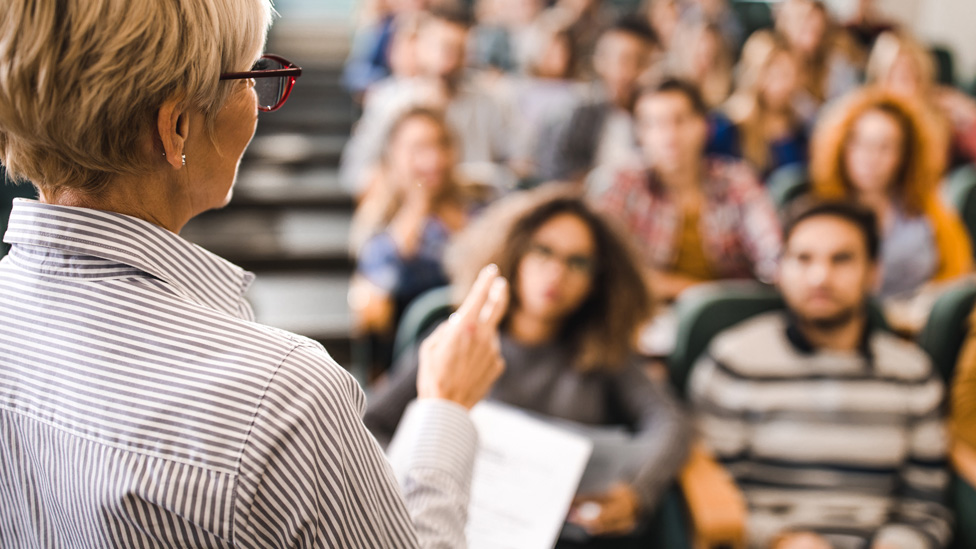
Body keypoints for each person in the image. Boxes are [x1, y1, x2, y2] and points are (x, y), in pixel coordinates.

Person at [0, 1, 511, 547]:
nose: (259, 102)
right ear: (176, 128)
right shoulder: (283, 397)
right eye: (250, 77)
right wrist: (444, 409)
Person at [365, 186, 691, 547]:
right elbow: (370, 425)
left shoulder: (604, 353)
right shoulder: (460, 342)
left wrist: (637, 492)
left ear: (598, 281)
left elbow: (670, 424)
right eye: (543, 251)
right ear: (515, 251)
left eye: (577, 262)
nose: (556, 272)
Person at [689, 201, 952, 549]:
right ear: (781, 269)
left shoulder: (912, 375)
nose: (820, 277)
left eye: (841, 259)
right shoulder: (734, 362)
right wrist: (780, 539)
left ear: (873, 272)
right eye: (803, 259)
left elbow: (927, 507)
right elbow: (711, 492)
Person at [598, 79, 782, 303]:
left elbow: (771, 246)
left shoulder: (735, 179)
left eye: (680, 120)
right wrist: (693, 291)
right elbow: (603, 260)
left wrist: (779, 275)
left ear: (704, 125)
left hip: (732, 311)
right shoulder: (624, 181)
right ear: (640, 133)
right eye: (654, 123)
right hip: (647, 310)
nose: (669, 135)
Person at [349, 107, 491, 371]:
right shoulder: (378, 223)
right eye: (419, 148)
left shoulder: (482, 203)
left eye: (442, 144)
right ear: (393, 156)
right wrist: (418, 206)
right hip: (415, 356)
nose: (434, 158)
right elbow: (376, 300)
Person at [809, 87, 972, 300]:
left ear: (904, 155)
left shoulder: (927, 208)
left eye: (885, 147)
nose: (870, 158)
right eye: (859, 143)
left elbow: (960, 276)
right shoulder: (821, 214)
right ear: (842, 147)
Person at [339, 5, 522, 194]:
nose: (448, 58)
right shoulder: (388, 101)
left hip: (474, 207)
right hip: (407, 204)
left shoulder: (491, 102)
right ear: (419, 47)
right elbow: (355, 170)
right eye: (440, 46)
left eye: (458, 49)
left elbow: (518, 166)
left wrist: (484, 178)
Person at [535, 16, 658, 183]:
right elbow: (558, 173)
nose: (628, 72)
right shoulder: (578, 112)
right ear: (600, 60)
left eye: (641, 62)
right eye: (622, 59)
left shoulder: (657, 117)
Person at [866, 29, 976, 167]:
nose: (904, 86)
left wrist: (967, 113)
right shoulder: (867, 119)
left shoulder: (940, 117)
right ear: (880, 79)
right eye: (894, 75)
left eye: (909, 75)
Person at [724, 30, 809, 179]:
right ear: (755, 74)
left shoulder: (801, 124)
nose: (787, 84)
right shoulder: (729, 126)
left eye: (791, 74)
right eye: (778, 74)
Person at [775, 0, 860, 111]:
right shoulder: (778, 64)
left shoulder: (837, 60)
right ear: (785, 23)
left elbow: (850, 103)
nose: (809, 23)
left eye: (813, 18)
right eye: (801, 18)